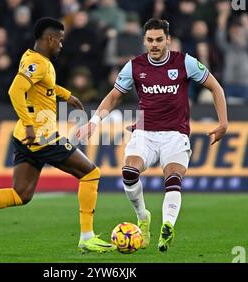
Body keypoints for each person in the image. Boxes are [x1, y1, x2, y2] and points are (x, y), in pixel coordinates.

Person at [0, 17, 116, 254]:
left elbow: (43, 87)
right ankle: (86, 237)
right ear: (50, 39)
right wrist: (28, 124)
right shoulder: (39, 63)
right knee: (91, 174)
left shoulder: (31, 58)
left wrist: (65, 95)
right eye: (60, 40)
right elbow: (15, 90)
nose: (61, 45)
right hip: (41, 136)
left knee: (21, 194)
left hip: (25, 137)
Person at [76, 18, 228, 252]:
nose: (154, 45)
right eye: (150, 40)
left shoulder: (185, 62)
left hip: (175, 134)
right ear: (144, 41)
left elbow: (215, 87)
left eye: (159, 40)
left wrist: (223, 123)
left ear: (168, 40)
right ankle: (142, 216)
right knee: (128, 172)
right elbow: (114, 96)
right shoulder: (134, 66)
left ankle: (167, 226)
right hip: (145, 132)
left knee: (173, 178)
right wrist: (94, 121)